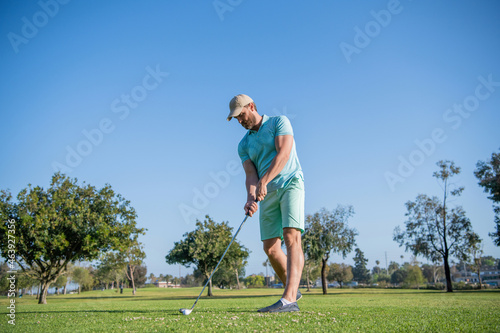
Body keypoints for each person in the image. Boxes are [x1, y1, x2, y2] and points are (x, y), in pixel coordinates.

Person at [227, 94, 305, 313]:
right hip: (266, 192)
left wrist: (264, 180)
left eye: (241, 115)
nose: (240, 121)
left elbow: (284, 154)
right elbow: (250, 175)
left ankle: (289, 300)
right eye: (236, 119)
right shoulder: (243, 144)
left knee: (291, 236)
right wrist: (250, 198)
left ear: (251, 106)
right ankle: (294, 287)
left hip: (290, 184)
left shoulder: (279, 122)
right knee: (270, 248)